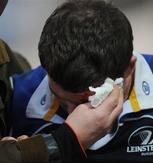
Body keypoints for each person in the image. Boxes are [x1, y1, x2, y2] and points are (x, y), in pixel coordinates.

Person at [7, 0, 153, 162]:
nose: (77, 116)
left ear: (129, 67)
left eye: (92, 101)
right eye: (61, 100)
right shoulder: (14, 98)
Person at [0, 0, 123, 162]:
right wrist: (65, 141)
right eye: (63, 103)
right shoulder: (24, 92)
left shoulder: (11, 67)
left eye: (93, 100)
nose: (75, 113)